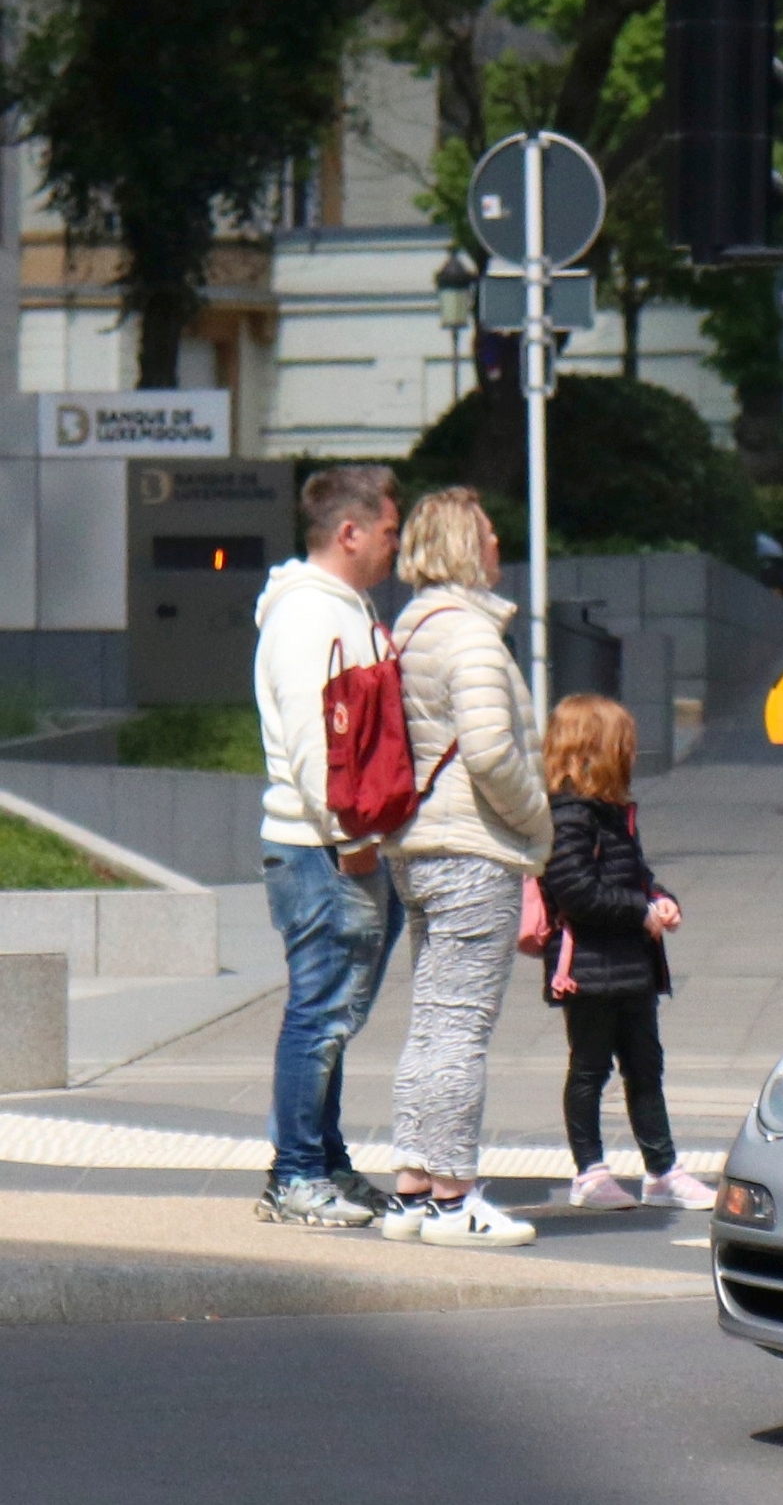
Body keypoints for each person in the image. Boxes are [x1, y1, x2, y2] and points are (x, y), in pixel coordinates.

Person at [376, 488, 552, 1248]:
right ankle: (454, 1197)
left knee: (430, 1022)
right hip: (472, 847)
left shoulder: (411, 630)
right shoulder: (473, 638)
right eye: (486, 531)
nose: (497, 542)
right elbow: (488, 751)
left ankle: (412, 1188)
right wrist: (539, 821)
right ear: (460, 545)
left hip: (416, 845)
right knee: (460, 1026)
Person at [252, 465, 405, 1227]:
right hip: (321, 848)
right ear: (349, 532)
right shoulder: (313, 619)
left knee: (330, 1019)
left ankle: (323, 1164)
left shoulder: (342, 609)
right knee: (318, 1015)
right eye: (387, 531)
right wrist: (355, 844)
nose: (395, 546)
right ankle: (295, 1175)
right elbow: (321, 743)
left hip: (332, 845)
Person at [537, 694, 717, 1210]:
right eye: (627, 747)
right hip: (589, 967)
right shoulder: (571, 815)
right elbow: (574, 890)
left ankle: (662, 1170)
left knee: (645, 1065)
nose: (634, 756)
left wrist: (660, 899)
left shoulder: (611, 814)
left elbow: (634, 874)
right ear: (599, 752)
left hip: (630, 963)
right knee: (590, 1067)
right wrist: (640, 911)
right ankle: (590, 1172)